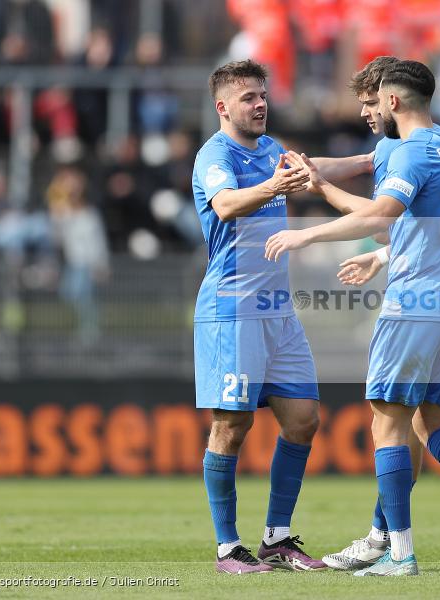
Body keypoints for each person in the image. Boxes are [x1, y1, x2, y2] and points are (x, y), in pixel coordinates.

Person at [264, 60, 440, 576]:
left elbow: (380, 217)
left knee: (387, 419)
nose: (364, 110)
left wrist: (306, 231)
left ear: (392, 101)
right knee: (432, 421)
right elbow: (365, 174)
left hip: (416, 299)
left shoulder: (412, 153)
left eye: (371, 102)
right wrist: (308, 172)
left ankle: (399, 552)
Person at [192, 59, 326, 574]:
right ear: (223, 107)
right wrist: (275, 188)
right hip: (233, 308)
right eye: (248, 97)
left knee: (303, 420)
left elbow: (314, 169)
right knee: (232, 424)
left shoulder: (273, 150)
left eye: (263, 94)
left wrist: (369, 158)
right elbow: (225, 205)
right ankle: (228, 548)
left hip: (278, 311)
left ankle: (277, 538)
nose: (260, 103)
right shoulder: (215, 155)